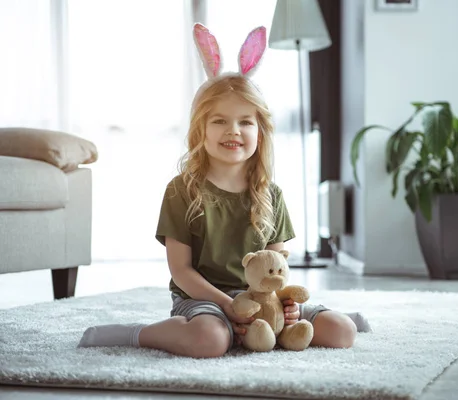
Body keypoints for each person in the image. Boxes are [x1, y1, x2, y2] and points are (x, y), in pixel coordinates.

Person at [77, 24, 370, 358]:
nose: (234, 131)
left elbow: (277, 266)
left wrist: (285, 305)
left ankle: (335, 319)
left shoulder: (270, 193)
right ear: (200, 129)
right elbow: (181, 272)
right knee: (211, 342)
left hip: (264, 302)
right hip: (205, 300)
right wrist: (228, 305)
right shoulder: (181, 190)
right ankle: (137, 334)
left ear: (260, 131)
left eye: (245, 121)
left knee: (343, 332)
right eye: (219, 121)